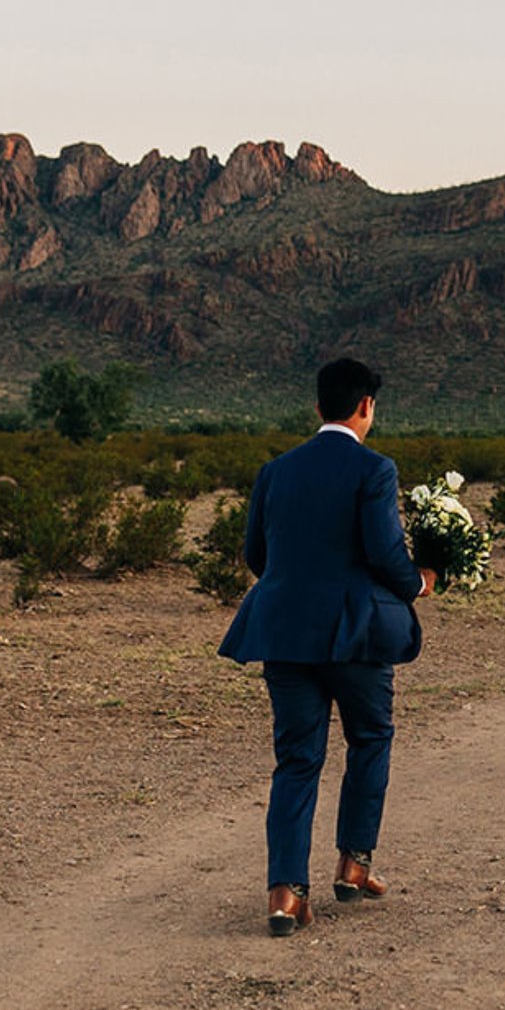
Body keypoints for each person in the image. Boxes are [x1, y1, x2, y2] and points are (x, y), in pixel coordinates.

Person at [218, 358, 434, 936]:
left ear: (318, 407)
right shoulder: (375, 469)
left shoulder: (275, 471)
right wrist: (419, 582)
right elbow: (386, 553)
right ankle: (353, 864)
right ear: (366, 407)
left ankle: (285, 895)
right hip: (355, 638)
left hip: (284, 634)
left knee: (296, 761)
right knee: (370, 738)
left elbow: (257, 557)